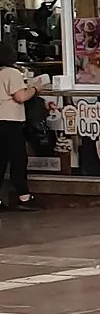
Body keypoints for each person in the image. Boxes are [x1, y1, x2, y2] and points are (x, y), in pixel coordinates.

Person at [0, 53, 49, 210]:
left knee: (1, 162)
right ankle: (24, 198)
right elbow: (20, 97)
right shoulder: (11, 73)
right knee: (18, 160)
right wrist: (35, 88)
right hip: (10, 122)